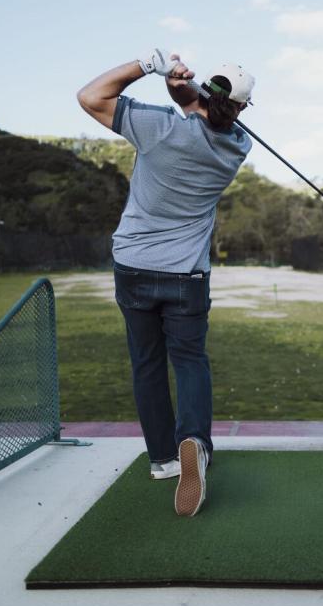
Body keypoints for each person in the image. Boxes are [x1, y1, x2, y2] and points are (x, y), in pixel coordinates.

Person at [76, 49, 254, 516]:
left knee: (147, 363)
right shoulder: (237, 146)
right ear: (239, 110)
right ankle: (193, 440)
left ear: (204, 95)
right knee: (190, 360)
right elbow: (209, 116)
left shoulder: (160, 128)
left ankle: (162, 459)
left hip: (134, 267)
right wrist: (186, 93)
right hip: (187, 276)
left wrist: (148, 65)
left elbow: (90, 96)